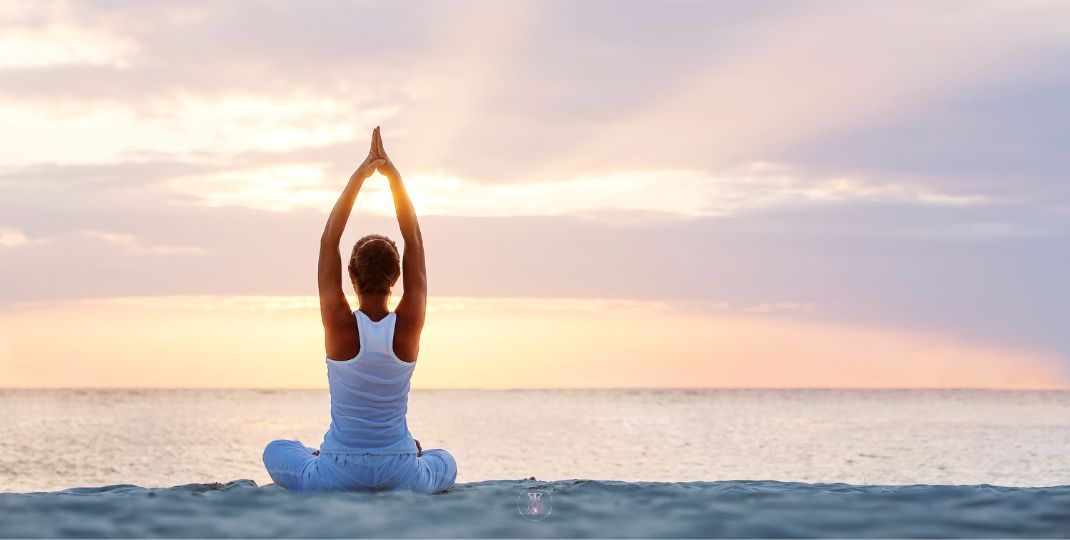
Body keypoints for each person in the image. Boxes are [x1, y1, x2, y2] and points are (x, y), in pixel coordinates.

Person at [262, 127, 457, 493]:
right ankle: (407, 453)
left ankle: (319, 455)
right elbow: (414, 238)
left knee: (276, 450)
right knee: (445, 460)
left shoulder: (338, 325)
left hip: (338, 470)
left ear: (350, 275)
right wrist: (393, 178)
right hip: (401, 469)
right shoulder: (408, 325)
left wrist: (360, 176)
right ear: (396, 277)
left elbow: (328, 240)